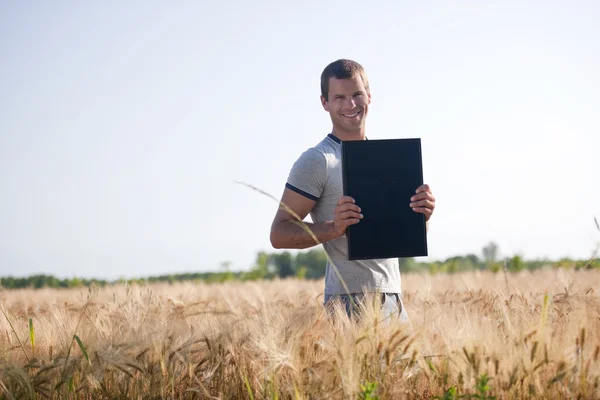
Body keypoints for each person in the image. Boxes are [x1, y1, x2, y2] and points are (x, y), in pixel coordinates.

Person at [269, 59, 436, 321]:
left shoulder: (389, 160)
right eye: (339, 97)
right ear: (325, 103)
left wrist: (422, 216)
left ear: (369, 96)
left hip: (393, 295)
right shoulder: (318, 159)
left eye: (357, 94)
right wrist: (333, 228)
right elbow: (278, 233)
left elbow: (403, 234)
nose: (350, 105)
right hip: (349, 301)